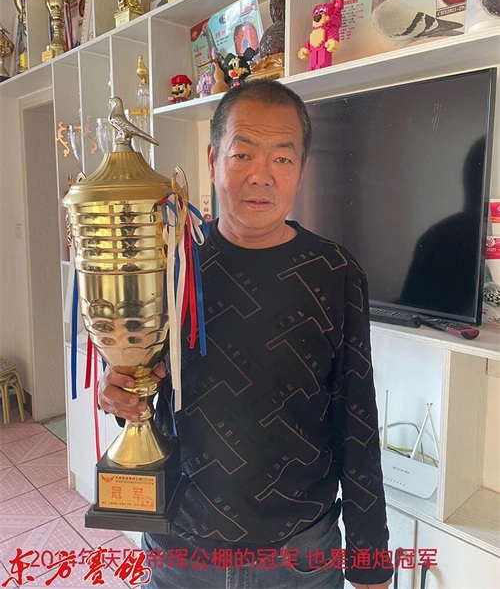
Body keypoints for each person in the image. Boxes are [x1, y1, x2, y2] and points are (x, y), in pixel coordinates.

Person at [98, 79, 393, 589]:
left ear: (301, 170)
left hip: (299, 557)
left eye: (282, 158)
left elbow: (358, 419)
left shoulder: (334, 272)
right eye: (243, 154)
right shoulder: (168, 265)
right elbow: (140, 383)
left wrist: (371, 561)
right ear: (213, 159)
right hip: (181, 551)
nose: (261, 176)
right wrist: (119, 388)